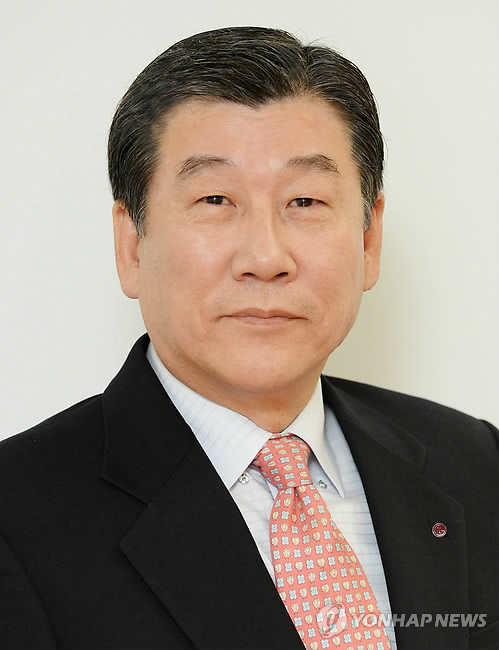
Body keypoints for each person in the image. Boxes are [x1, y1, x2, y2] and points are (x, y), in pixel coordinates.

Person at [0, 26, 496, 650]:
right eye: (216, 198)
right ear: (132, 246)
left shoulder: (476, 464)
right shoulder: (17, 517)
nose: (265, 258)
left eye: (305, 201)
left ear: (369, 241)